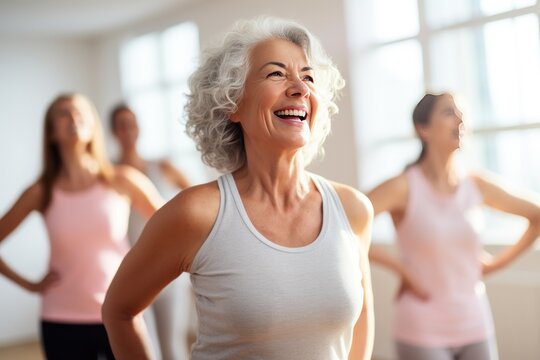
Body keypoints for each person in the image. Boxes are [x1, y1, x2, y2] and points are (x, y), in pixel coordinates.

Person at [102, 16, 374, 360]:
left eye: (307, 76)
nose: (300, 87)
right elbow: (118, 310)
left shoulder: (353, 210)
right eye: (277, 73)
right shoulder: (196, 214)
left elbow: (361, 321)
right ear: (233, 102)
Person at [367, 92, 540, 360]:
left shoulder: (476, 185)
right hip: (421, 327)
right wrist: (400, 267)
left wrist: (496, 265)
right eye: (449, 112)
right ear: (422, 128)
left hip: (474, 322)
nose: (460, 119)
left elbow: (537, 215)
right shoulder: (403, 186)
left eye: (461, 113)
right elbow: (344, 223)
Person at [0, 93, 163, 359]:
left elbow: (175, 226)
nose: (73, 117)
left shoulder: (122, 180)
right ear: (51, 132)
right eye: (64, 113)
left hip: (120, 314)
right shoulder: (40, 192)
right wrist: (29, 285)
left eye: (81, 112)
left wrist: (149, 281)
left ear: (93, 126)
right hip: (60, 319)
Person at [109, 104, 196, 359]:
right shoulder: (109, 173)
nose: (128, 130)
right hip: (130, 271)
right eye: (121, 125)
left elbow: (196, 201)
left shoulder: (163, 167)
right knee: (144, 348)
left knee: (172, 346)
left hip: (169, 270)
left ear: (138, 128)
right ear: (113, 131)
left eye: (132, 123)